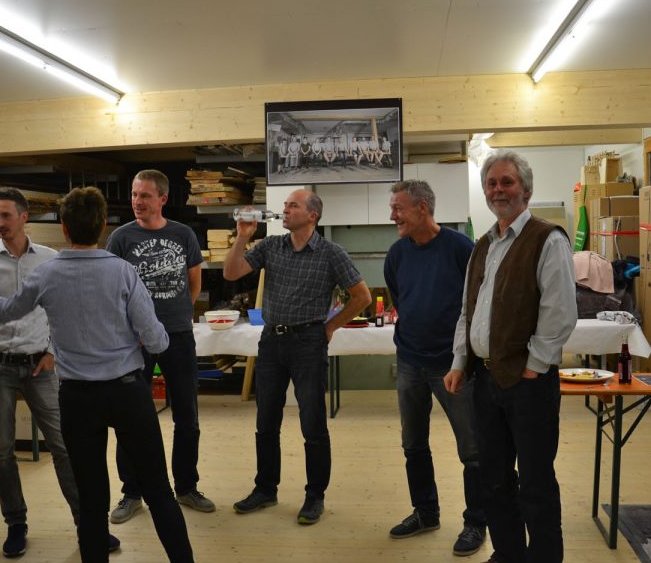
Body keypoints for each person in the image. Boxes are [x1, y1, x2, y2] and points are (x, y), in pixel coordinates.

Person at [0, 187, 194, 562]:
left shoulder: (47, 274)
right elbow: (156, 340)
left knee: (91, 501)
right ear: (103, 226)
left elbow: (5, 312)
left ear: (64, 228)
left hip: (77, 398)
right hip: (127, 393)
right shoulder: (123, 272)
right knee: (158, 492)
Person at [0, 187, 117, 557]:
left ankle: (88, 525)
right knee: (1, 452)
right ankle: (15, 523)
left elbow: (66, 311)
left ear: (24, 217)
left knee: (64, 446)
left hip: (40, 365)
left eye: (6, 215)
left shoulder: (51, 260)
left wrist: (52, 350)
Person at [445, 150, 576, 563]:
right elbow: (468, 310)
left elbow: (559, 312)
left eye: (507, 182)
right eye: (491, 183)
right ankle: (508, 554)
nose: (498, 190)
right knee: (495, 479)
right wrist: (459, 362)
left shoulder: (547, 239)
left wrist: (534, 368)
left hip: (528, 384)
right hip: (485, 382)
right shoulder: (483, 246)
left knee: (535, 483)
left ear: (526, 190)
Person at [223, 189, 371, 525]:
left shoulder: (331, 253)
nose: (285, 210)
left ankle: (315, 496)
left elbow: (361, 296)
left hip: (308, 342)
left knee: (313, 423)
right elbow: (231, 273)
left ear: (313, 215)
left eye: (293, 205)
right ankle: (265, 489)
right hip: (272, 342)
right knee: (266, 422)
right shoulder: (271, 246)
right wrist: (242, 237)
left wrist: (330, 327)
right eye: (285, 205)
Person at [383, 180, 487, 557]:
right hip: (410, 359)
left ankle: (476, 522)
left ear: (423, 208)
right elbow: (400, 298)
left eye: (398, 208)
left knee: (472, 450)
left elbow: (477, 301)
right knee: (413, 444)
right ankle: (425, 513)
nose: (392, 215)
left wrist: (463, 356)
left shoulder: (461, 248)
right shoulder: (397, 254)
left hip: (453, 363)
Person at [106, 169, 212, 523]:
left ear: (163, 199)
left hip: (177, 336)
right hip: (133, 340)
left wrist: (176, 315)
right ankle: (131, 492)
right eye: (134, 195)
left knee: (187, 416)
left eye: (145, 196)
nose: (137, 202)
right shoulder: (121, 238)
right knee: (131, 417)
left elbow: (194, 282)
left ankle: (186, 487)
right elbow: (112, 288)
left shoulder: (183, 235)